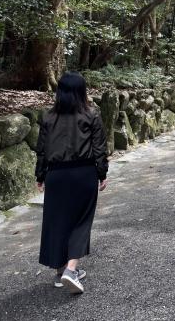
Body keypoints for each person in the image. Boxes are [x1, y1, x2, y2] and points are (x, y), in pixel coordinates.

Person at [35, 72, 108, 294]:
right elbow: (99, 148)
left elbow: (42, 150)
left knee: (57, 221)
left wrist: (40, 175)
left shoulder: (48, 117)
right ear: (81, 91)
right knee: (81, 220)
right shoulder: (91, 115)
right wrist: (102, 173)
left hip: (56, 175)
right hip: (83, 174)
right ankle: (71, 269)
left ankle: (60, 272)